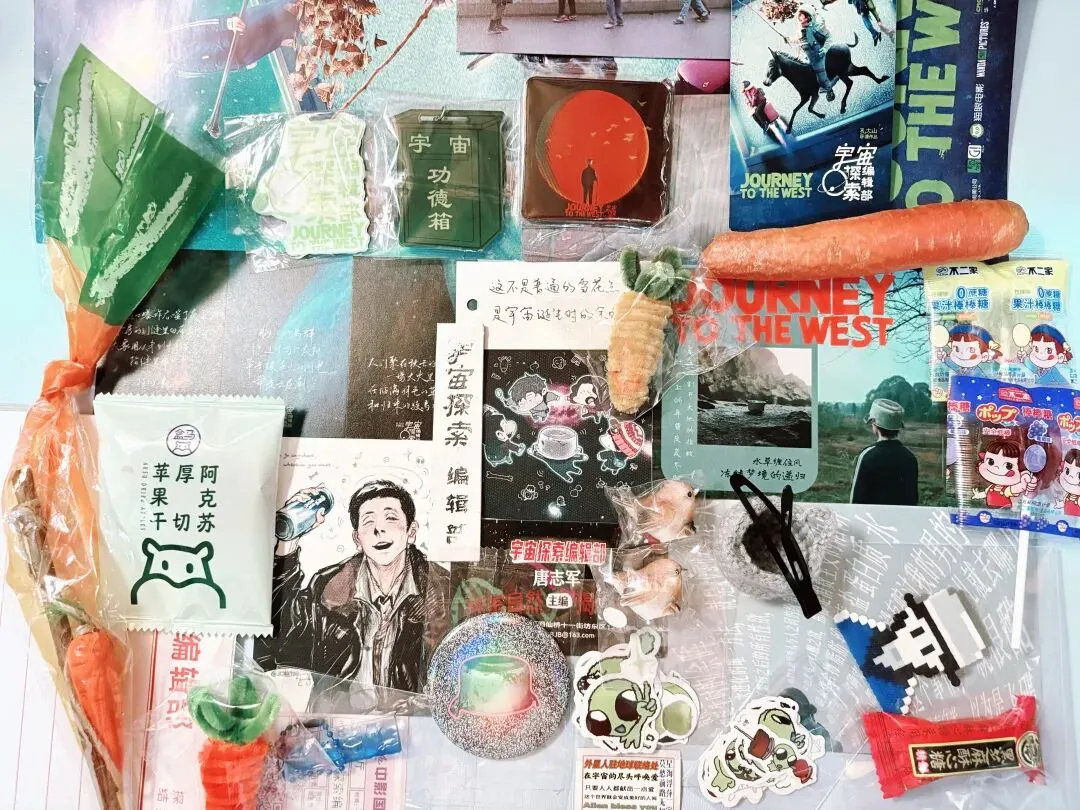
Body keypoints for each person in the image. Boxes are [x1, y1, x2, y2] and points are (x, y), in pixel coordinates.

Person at [264, 480, 428, 692]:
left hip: (413, 712)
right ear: (357, 538)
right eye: (368, 521)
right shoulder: (326, 588)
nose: (379, 530)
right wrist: (288, 542)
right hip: (335, 711)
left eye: (390, 518)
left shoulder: (437, 590)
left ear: (411, 531)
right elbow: (280, 640)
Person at [850, 399, 919, 506]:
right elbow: (913, 499)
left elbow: (856, 500)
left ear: (874, 424)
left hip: (873, 516)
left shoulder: (867, 456)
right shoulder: (910, 457)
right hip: (902, 516)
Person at [789, 7, 836, 101]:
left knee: (821, 77)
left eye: (801, 15)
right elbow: (798, 40)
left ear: (807, 17)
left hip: (817, 57)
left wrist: (825, 49)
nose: (798, 17)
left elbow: (829, 36)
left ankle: (829, 90)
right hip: (807, 57)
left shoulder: (815, 28)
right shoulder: (799, 30)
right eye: (798, 15)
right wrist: (789, 39)